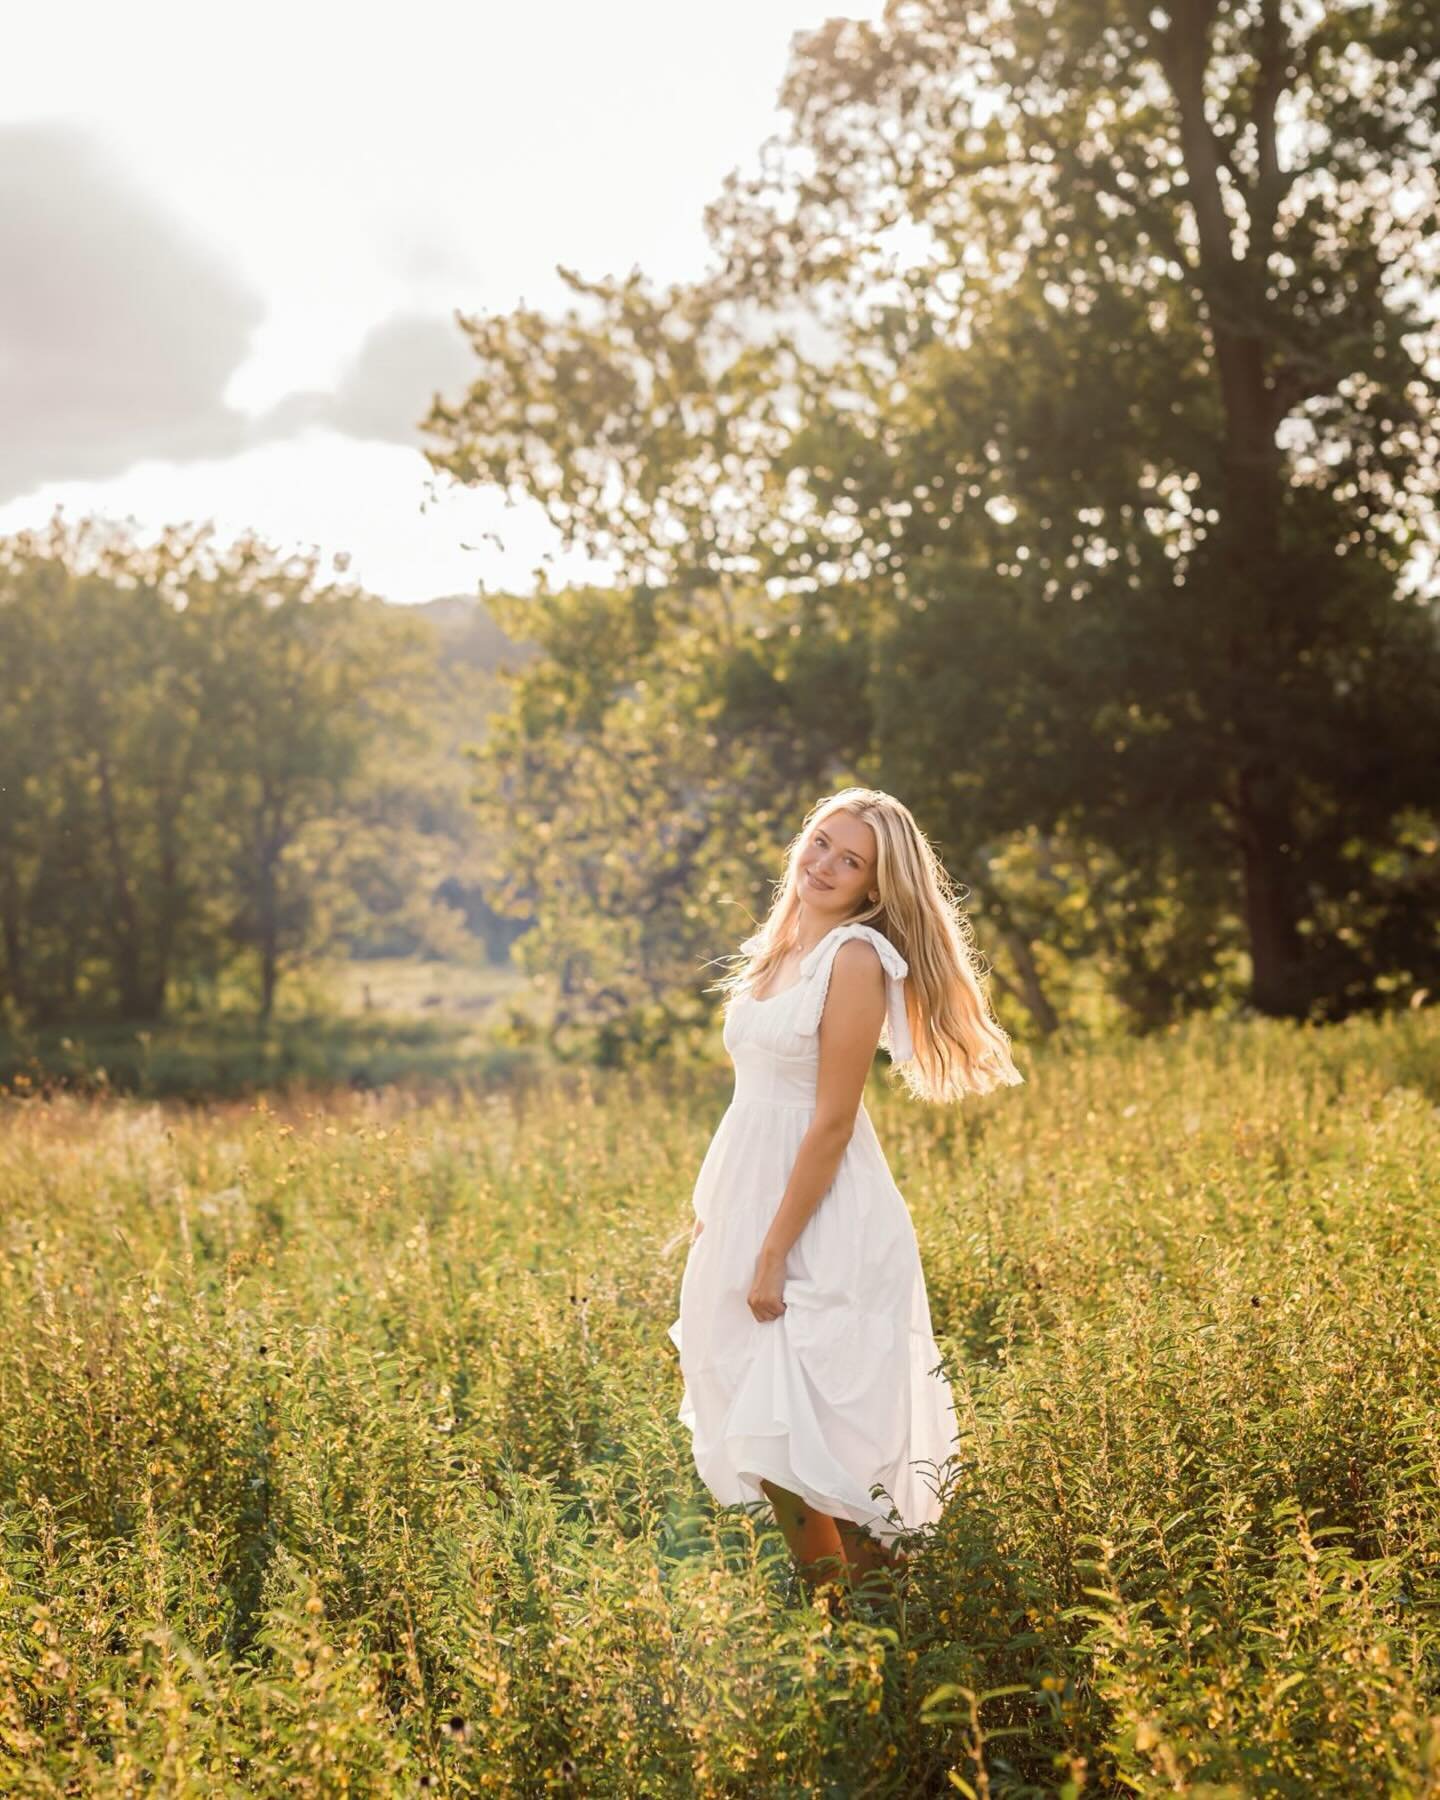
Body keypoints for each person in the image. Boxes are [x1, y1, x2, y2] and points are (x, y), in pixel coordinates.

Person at [667, 787, 1025, 1611]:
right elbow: (754, 1104)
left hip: (822, 1223)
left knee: (831, 1437)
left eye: (850, 859)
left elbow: (830, 1122)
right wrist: (719, 1209)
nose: (824, 866)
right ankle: (842, 1628)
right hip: (751, 1208)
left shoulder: (855, 960)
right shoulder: (780, 949)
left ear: (875, 886)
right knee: (767, 1437)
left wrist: (771, 1251)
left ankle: (891, 1633)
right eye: (820, 844)